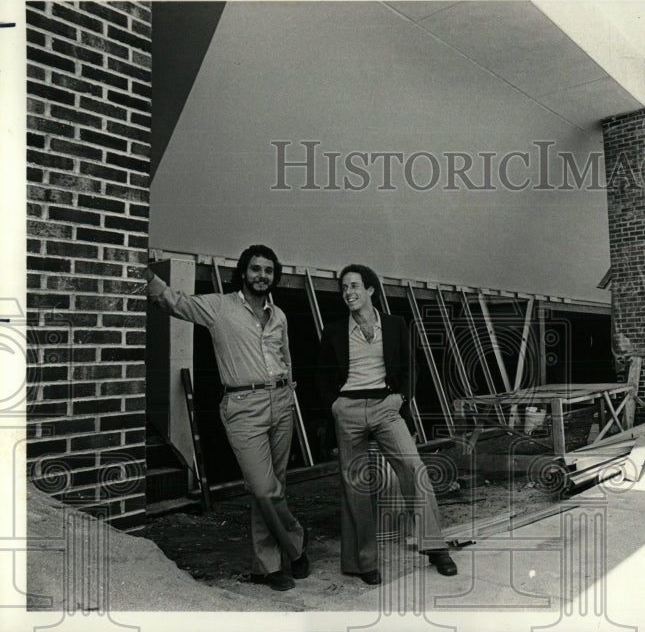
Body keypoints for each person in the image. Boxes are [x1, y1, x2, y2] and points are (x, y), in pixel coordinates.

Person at [145, 245, 308, 591]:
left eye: (268, 270)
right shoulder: (219, 307)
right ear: (243, 273)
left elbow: (286, 357)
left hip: (281, 401)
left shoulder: (279, 316)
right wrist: (142, 273)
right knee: (264, 489)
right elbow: (173, 301)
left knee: (277, 484)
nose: (262, 275)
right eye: (255, 269)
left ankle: (268, 565)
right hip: (243, 405)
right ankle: (295, 544)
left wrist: (288, 395)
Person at [317, 264, 456, 585]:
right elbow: (322, 374)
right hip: (348, 408)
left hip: (386, 407)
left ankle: (436, 547)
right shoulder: (335, 330)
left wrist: (401, 398)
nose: (348, 293)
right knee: (355, 484)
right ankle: (362, 562)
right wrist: (335, 406)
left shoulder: (394, 325)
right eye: (343, 288)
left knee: (413, 467)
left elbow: (411, 366)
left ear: (370, 290)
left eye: (354, 286)